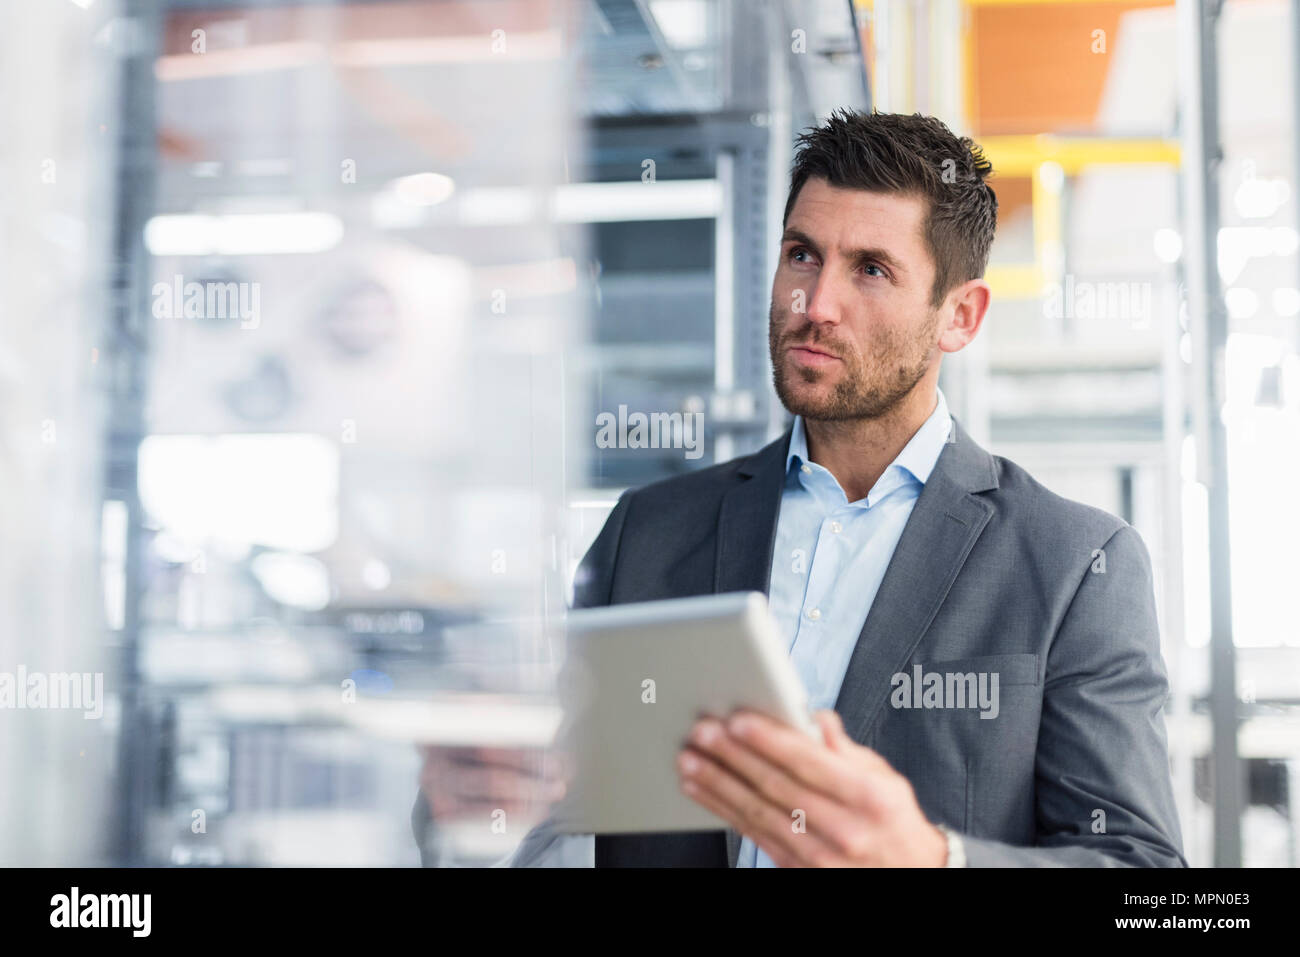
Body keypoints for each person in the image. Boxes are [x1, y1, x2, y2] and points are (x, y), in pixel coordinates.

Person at [414, 108, 1186, 867]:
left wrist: (933, 859)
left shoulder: (1074, 564)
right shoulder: (648, 530)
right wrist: (479, 814)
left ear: (960, 315)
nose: (815, 306)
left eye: (871, 270)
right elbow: (559, 822)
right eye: (802, 254)